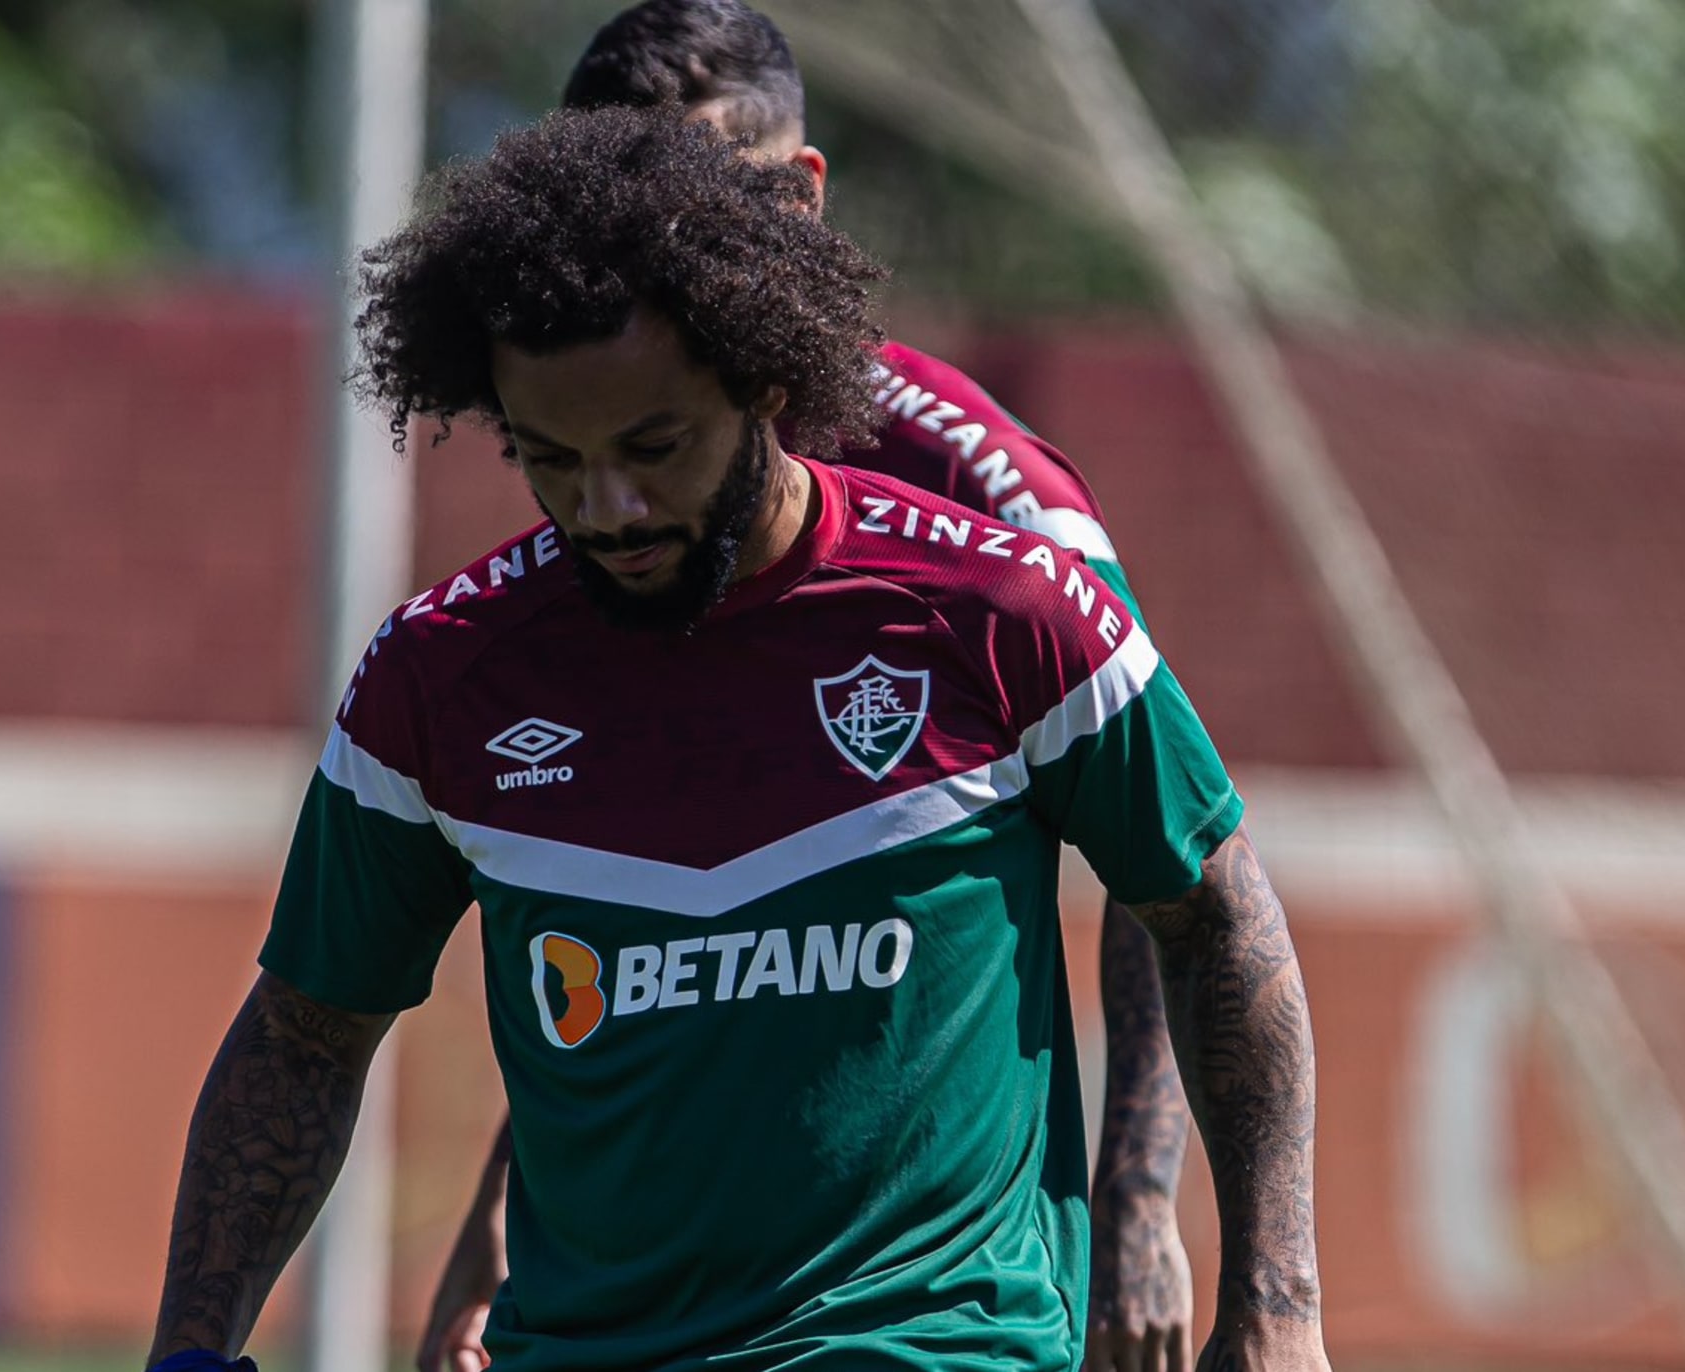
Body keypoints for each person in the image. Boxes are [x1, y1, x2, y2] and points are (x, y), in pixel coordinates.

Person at [145, 104, 1325, 1372]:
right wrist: (190, 1351)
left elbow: (1210, 912)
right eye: (551, 459)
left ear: (768, 377)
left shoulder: (1003, 609)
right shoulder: (437, 679)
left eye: (654, 447)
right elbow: (303, 1034)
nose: (608, 506)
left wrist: (1274, 1304)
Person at [420, 6, 1198, 1371]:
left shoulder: (987, 495)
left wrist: (1142, 1197)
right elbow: (650, 910)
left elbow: (1173, 872)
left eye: (698, 196)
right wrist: (499, 1226)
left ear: (799, 195)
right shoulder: (601, 501)